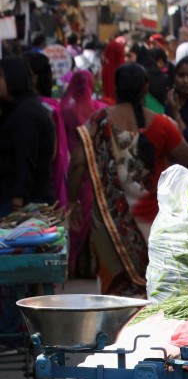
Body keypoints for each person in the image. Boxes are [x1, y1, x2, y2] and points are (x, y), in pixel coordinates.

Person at [67, 63, 188, 296]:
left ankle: (115, 330)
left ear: (116, 88)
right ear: (145, 88)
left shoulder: (98, 121)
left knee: (114, 289)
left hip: (108, 225)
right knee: (153, 286)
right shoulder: (162, 125)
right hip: (154, 222)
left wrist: (73, 201)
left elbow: (77, 162)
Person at [0, 56, 56, 348]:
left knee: (14, 273)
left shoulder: (24, 114)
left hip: (22, 204)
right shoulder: (22, 110)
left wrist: (18, 204)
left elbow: (25, 162)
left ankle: (13, 331)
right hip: (22, 201)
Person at [60, 69, 105, 276]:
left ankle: (73, 266)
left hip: (72, 170)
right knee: (93, 220)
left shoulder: (65, 110)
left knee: (76, 221)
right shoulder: (98, 109)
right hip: (94, 173)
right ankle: (91, 268)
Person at [23, 51, 70, 210]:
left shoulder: (42, 108)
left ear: (34, 78)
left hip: (39, 188)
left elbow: (51, 153)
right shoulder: (49, 105)